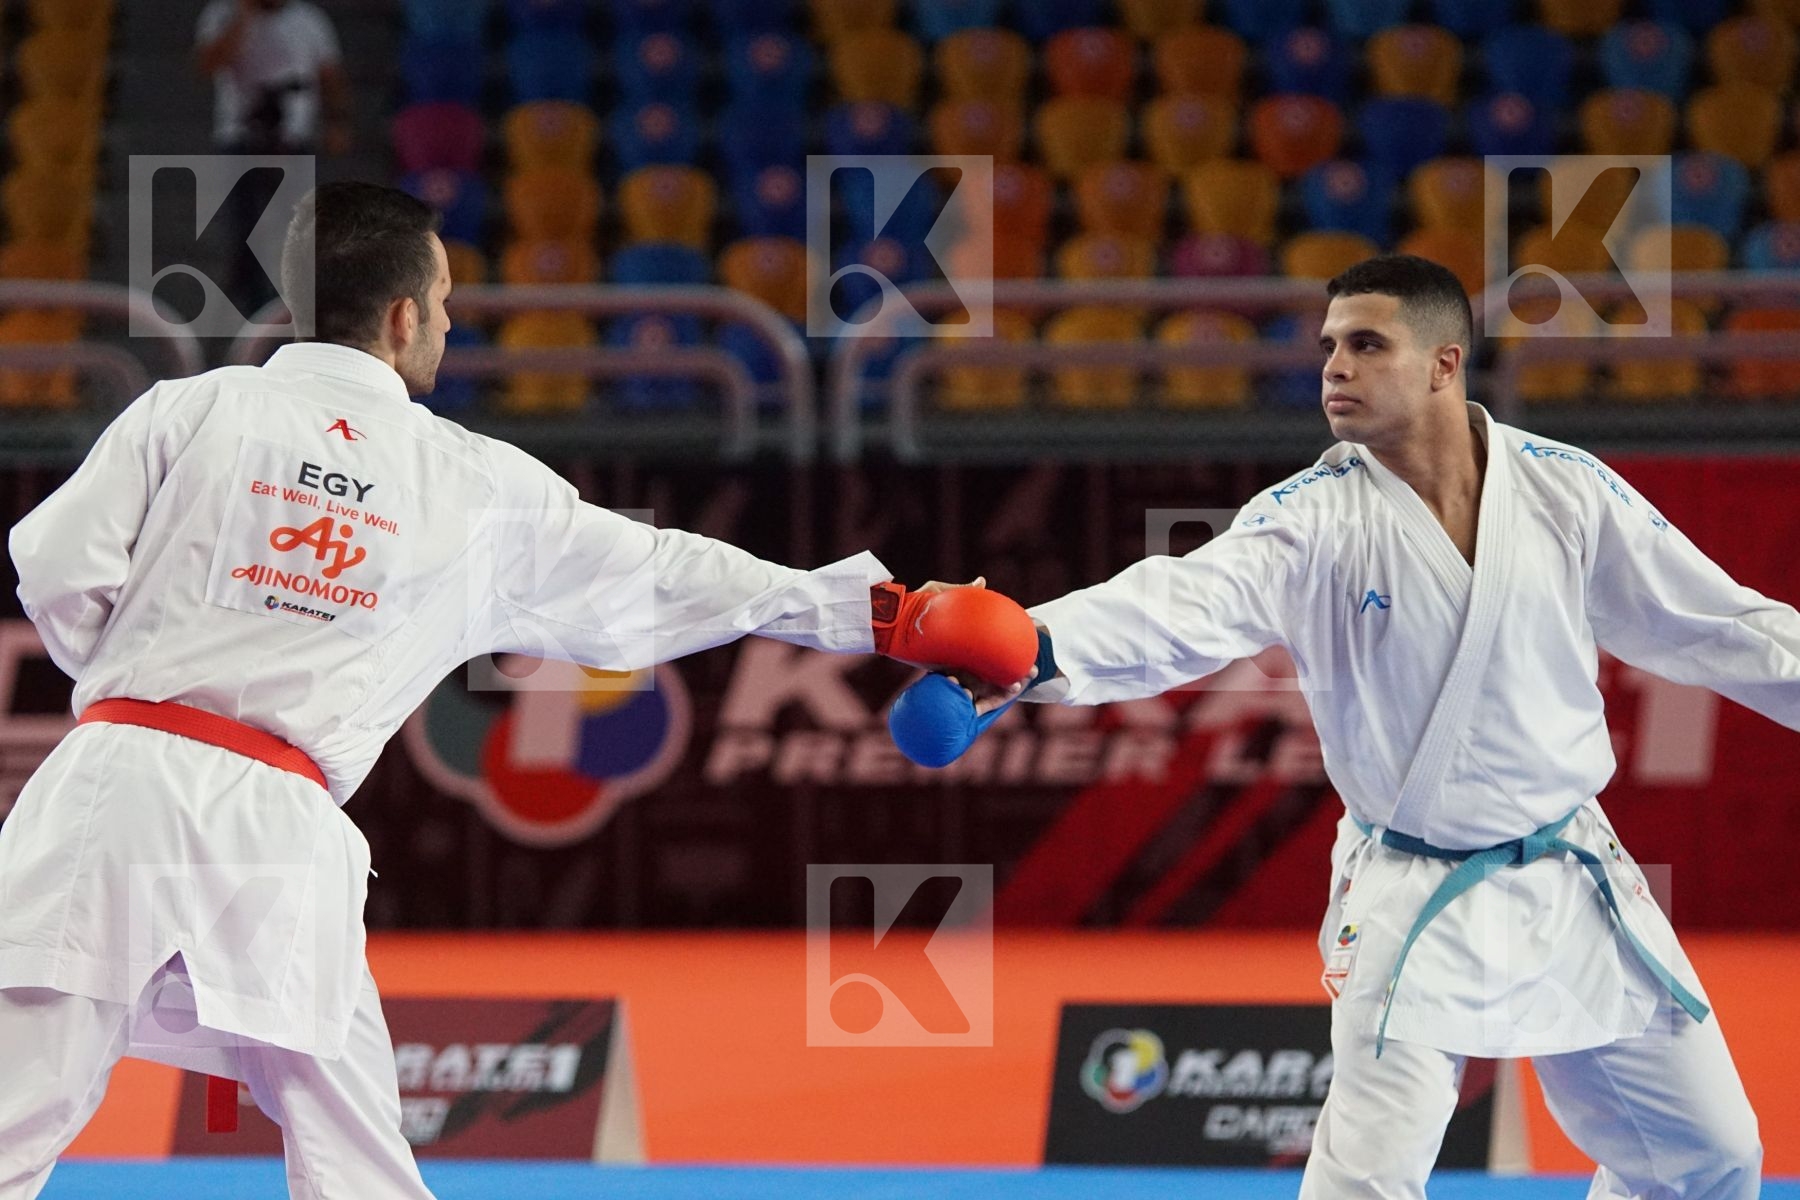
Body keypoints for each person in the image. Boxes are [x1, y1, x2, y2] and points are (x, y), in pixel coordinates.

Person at [0, 181, 1034, 1199]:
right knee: (354, 1157)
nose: (447, 324)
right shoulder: (470, 482)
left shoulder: (191, 409)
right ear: (403, 316)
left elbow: (52, 565)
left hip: (114, 785)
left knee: (17, 1111)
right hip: (278, 823)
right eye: (444, 303)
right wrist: (883, 615)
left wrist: (142, 692)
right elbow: (664, 569)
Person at [894, 255, 1782, 1197]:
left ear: (1444, 364)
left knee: (1713, 1156)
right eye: (1328, 347)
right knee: (1366, 1182)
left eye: (1366, 345)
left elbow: (1721, 625)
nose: (1334, 369)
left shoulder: (1565, 489)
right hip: (1414, 896)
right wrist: (1031, 646)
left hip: (1576, 876)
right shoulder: (1310, 519)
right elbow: (1175, 606)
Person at [196, 0, 353, 321]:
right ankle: (250, 312)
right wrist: (244, 16)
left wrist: (337, 121)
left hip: (293, 142)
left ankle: (290, 310)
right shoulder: (222, 13)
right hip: (239, 139)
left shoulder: (309, 19)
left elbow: (329, 75)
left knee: (294, 234)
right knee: (244, 234)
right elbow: (209, 63)